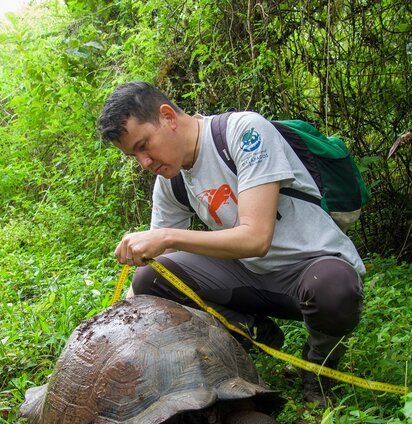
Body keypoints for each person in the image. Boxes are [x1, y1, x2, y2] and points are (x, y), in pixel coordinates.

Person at [97, 81, 365, 405]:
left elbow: (256, 238)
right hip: (247, 278)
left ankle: (319, 369)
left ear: (167, 116)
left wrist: (167, 236)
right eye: (133, 155)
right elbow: (155, 270)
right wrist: (114, 331)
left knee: (334, 288)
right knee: (149, 278)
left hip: (309, 268)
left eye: (144, 145)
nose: (144, 162)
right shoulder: (171, 183)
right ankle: (253, 332)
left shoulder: (243, 133)